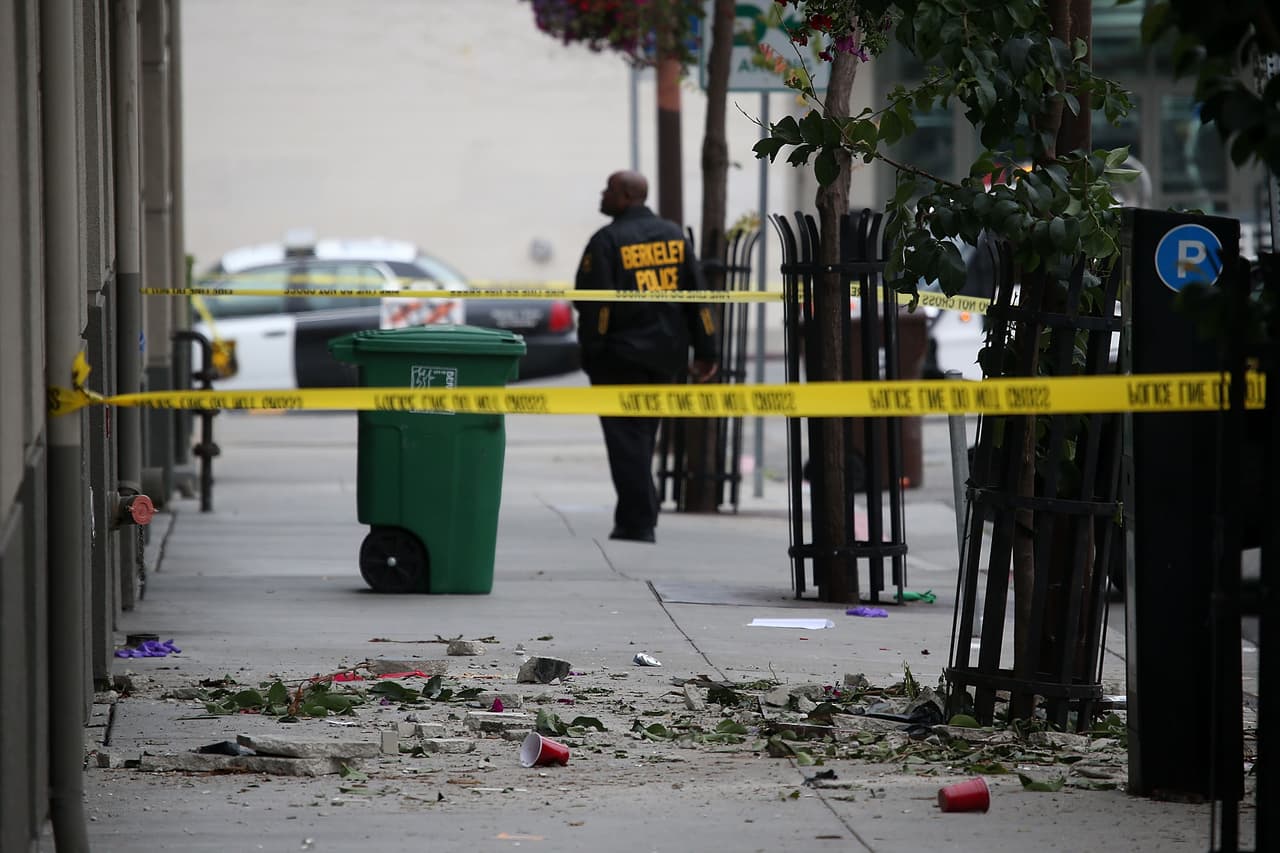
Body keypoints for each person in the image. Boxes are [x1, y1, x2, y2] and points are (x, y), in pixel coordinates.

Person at [574, 170, 718, 544]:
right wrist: (706, 350)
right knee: (641, 438)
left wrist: (594, 351)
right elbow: (697, 298)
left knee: (625, 441)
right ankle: (634, 516)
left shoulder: (607, 240)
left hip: (619, 358)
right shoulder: (674, 235)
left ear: (625, 196)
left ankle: (639, 521)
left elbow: (595, 305)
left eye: (607, 189)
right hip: (666, 358)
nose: (602, 195)